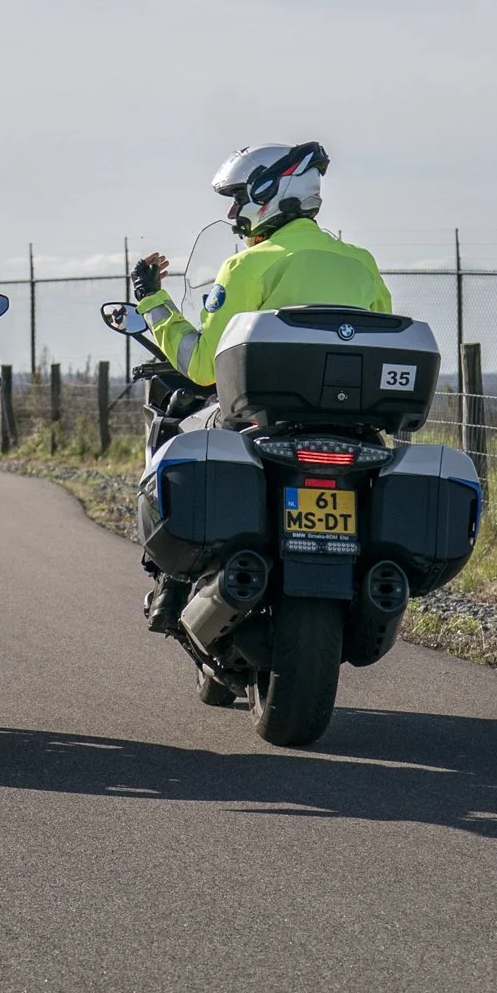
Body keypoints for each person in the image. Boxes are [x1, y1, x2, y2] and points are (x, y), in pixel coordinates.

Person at [129, 141, 391, 628]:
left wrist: (151, 302)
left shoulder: (247, 265)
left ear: (269, 192)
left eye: (237, 196)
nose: (232, 211)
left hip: (261, 421)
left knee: (174, 430)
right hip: (352, 430)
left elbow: (203, 365)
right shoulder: (362, 262)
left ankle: (171, 586)